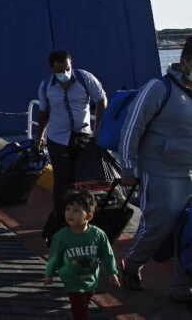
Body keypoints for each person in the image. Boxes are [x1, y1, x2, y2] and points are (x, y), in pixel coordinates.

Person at [118, 37, 192, 298]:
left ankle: (182, 288)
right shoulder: (159, 88)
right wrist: (128, 167)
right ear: (185, 61)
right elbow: (132, 127)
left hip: (188, 173)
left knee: (189, 230)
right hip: (160, 170)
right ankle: (133, 264)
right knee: (158, 225)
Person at [36, 50, 107, 207]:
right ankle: (62, 216)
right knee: (62, 180)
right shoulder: (46, 86)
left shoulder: (85, 78)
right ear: (52, 70)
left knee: (85, 178)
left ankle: (84, 216)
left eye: (67, 68)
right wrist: (39, 137)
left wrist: (97, 130)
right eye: (60, 71)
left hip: (84, 136)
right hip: (58, 139)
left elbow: (101, 99)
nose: (65, 73)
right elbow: (43, 114)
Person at [44, 190, 120, 320]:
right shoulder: (61, 237)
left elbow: (107, 253)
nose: (70, 213)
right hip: (72, 281)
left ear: (89, 216)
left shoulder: (98, 234)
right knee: (82, 310)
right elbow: (54, 257)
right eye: (68, 209)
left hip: (91, 279)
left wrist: (111, 271)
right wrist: (49, 273)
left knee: (85, 300)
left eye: (76, 210)